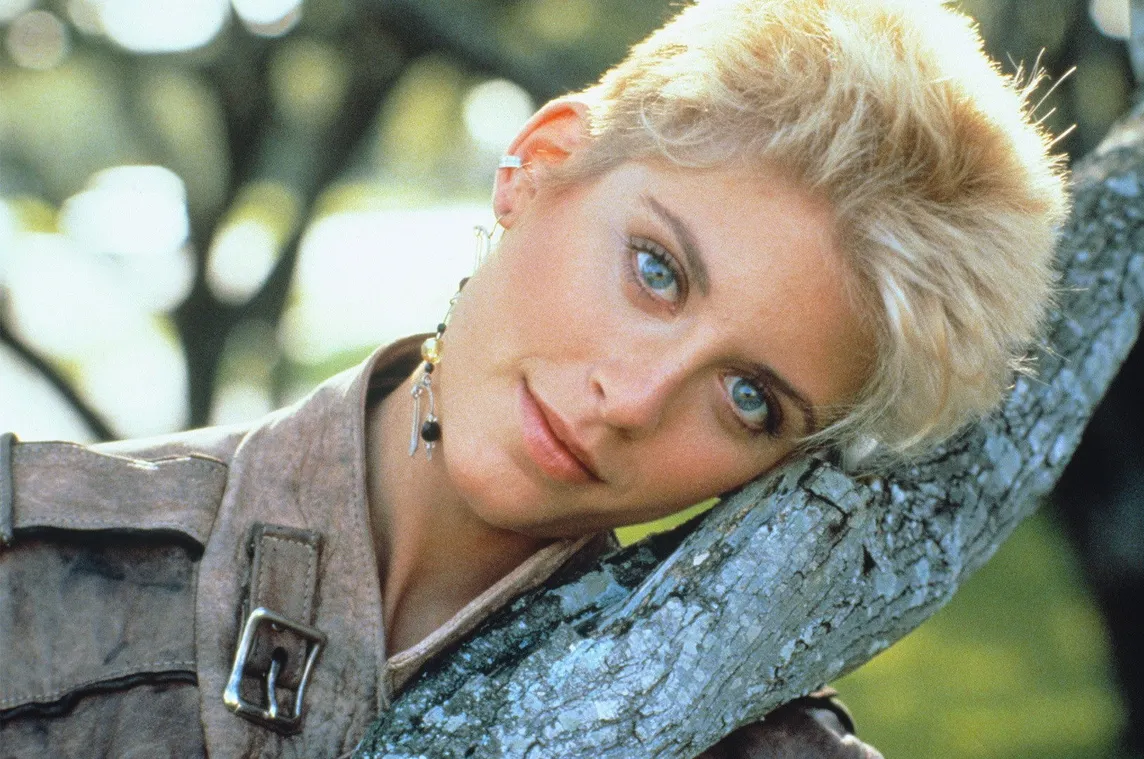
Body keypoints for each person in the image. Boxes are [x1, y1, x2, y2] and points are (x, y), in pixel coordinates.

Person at [0, 0, 1067, 756]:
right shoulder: (27, 551)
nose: (634, 400)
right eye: (657, 270)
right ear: (541, 164)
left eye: (750, 398)